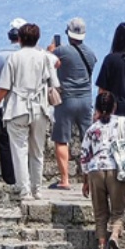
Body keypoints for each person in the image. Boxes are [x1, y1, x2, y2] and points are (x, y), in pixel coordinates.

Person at [0, 23, 60, 200]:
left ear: (19, 39)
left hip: (18, 107)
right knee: (37, 150)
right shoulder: (44, 57)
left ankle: (24, 190)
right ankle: (37, 189)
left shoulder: (14, 58)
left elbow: (4, 86)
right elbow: (55, 82)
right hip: (40, 107)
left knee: (19, 150)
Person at [79, 91, 125, 249]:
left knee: (100, 212)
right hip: (116, 167)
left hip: (95, 169)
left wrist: (85, 181)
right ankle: (114, 235)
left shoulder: (92, 129)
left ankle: (101, 245)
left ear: (97, 108)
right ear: (114, 106)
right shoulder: (123, 122)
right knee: (118, 210)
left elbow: (84, 155)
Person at [49, 17, 97, 191]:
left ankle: (65, 179)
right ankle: (89, 179)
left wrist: (51, 49)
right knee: (88, 140)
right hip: (85, 100)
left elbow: (48, 61)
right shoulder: (91, 54)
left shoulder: (61, 51)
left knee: (62, 139)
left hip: (66, 99)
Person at [0, 18, 26, 186]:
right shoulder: (36, 53)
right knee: (26, 144)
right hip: (27, 105)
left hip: (5, 104)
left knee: (5, 144)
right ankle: (26, 179)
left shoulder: (0, 52)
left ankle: (10, 179)